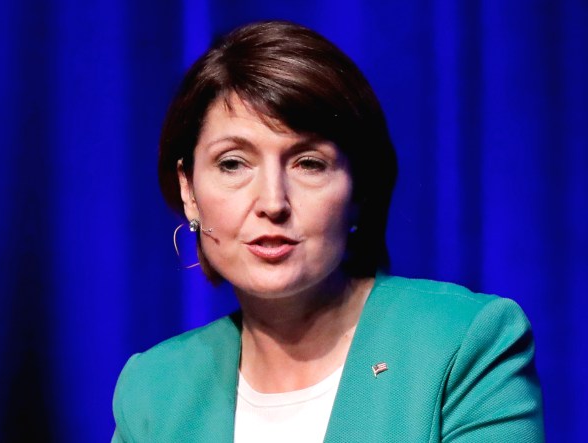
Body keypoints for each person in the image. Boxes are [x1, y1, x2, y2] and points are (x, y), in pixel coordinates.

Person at [111, 20, 543, 442]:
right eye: (233, 164)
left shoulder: (463, 342)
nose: (273, 202)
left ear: (359, 187)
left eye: (309, 164)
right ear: (189, 190)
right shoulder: (153, 389)